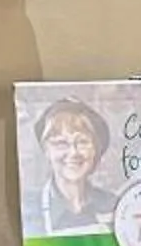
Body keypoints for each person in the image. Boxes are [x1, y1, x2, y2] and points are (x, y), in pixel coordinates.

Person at [34, 98, 119, 233]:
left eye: (82, 142)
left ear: (96, 149)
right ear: (47, 151)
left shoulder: (114, 207)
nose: (73, 152)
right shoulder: (28, 211)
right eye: (61, 143)